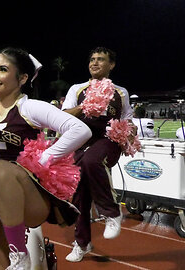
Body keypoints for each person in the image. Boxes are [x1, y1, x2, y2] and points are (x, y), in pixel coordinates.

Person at [0, 48, 91, 269]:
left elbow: (80, 129)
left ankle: (20, 256)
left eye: (3, 69)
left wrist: (45, 158)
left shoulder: (30, 107)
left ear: (22, 78)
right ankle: (19, 260)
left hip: (30, 195)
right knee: (0, 265)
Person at [61, 47, 134, 262]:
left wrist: (131, 131)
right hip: (81, 143)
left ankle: (111, 212)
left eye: (101, 60)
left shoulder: (121, 92)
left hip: (107, 142)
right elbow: (63, 116)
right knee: (79, 196)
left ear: (111, 65)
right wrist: (86, 106)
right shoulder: (77, 88)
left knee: (94, 160)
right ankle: (82, 243)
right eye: (92, 59)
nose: (94, 63)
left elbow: (127, 118)